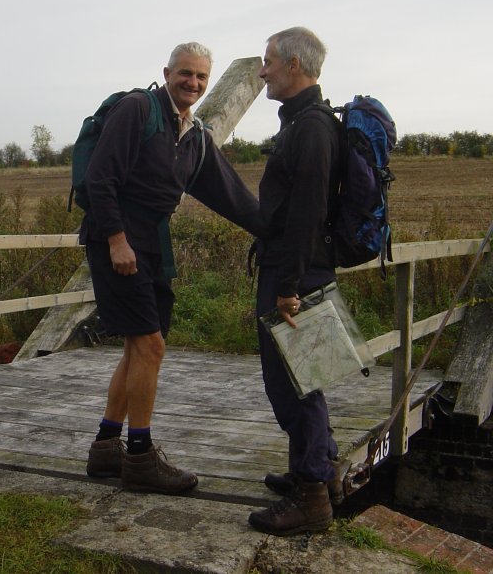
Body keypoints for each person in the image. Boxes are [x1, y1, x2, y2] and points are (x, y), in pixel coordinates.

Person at [81, 42, 264, 494]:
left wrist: (277, 228)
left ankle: (107, 448)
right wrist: (116, 240)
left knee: (138, 348)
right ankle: (140, 456)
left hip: (153, 245)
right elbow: (99, 178)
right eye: (186, 73)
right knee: (151, 346)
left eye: (202, 77)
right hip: (118, 240)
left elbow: (231, 196)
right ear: (167, 72)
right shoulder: (138, 110)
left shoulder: (194, 135)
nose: (195, 84)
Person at [247, 27, 344, 535]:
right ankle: (316, 473)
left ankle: (312, 499)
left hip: (297, 275)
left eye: (267, 62)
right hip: (299, 269)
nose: (261, 72)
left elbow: (308, 212)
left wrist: (288, 287)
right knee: (305, 378)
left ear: (293, 65)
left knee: (293, 386)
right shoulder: (306, 121)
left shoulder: (310, 127)